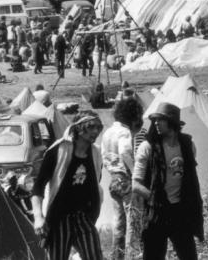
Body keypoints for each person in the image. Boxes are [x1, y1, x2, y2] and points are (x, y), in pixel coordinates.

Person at [132, 103, 203, 260]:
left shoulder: (187, 146)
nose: (156, 123)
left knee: (189, 256)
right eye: (154, 120)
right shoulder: (148, 147)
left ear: (172, 122)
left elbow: (190, 177)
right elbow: (135, 185)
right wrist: (155, 199)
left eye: (160, 120)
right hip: (156, 213)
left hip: (180, 211)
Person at [31, 111, 105, 260]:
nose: (96, 131)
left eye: (99, 127)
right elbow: (38, 187)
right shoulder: (57, 151)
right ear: (78, 128)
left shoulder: (95, 154)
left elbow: (95, 187)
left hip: (82, 217)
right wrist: (38, 217)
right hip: (59, 217)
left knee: (94, 256)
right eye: (91, 127)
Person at [102, 98, 144, 260]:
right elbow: (125, 151)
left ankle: (117, 255)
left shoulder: (107, 132)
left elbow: (104, 156)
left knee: (118, 222)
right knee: (133, 221)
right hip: (126, 179)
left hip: (113, 179)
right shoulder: (124, 132)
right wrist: (135, 174)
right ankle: (133, 255)